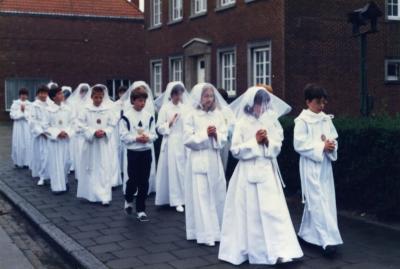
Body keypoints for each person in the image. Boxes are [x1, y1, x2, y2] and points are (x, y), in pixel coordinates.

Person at [218, 86, 303, 265]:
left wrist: (267, 142)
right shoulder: (242, 123)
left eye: (265, 103)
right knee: (249, 211)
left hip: (266, 171)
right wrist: (254, 142)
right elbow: (235, 150)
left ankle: (280, 249)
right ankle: (250, 249)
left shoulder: (271, 121)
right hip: (247, 172)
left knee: (272, 211)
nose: (262, 107)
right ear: (251, 104)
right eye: (259, 104)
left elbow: (277, 145)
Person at [294, 83, 343, 255]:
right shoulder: (302, 120)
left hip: (324, 166)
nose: (321, 106)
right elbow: (299, 144)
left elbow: (333, 138)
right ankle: (327, 241)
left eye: (324, 103)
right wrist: (321, 147)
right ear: (308, 102)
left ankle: (307, 234)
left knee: (325, 200)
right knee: (317, 201)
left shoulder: (325, 119)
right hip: (310, 165)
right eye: (318, 102)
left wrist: (331, 145)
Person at [183, 83, 228, 246]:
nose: (209, 99)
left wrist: (216, 135)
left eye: (211, 96)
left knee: (216, 194)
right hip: (198, 159)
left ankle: (217, 231)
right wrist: (204, 135)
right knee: (201, 196)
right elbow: (187, 139)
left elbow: (224, 137)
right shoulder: (191, 115)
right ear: (199, 98)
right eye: (205, 96)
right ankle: (204, 233)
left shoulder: (218, 114)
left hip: (213, 159)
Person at [120, 86, 157, 222]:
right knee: (133, 180)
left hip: (146, 152)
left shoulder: (149, 117)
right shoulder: (126, 116)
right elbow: (123, 136)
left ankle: (141, 209)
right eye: (140, 100)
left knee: (144, 181)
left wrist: (148, 138)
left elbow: (154, 134)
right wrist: (136, 138)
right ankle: (129, 199)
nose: (142, 103)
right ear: (133, 101)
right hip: (133, 152)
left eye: (144, 101)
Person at [155, 82, 191, 212]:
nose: (178, 96)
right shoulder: (165, 108)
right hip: (171, 142)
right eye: (175, 93)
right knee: (174, 171)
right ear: (171, 94)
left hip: (183, 141)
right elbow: (159, 128)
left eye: (180, 93)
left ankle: (185, 198)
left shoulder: (185, 108)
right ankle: (176, 200)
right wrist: (169, 124)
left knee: (183, 170)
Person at [77, 85, 116, 206]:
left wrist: (104, 132)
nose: (98, 100)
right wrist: (93, 132)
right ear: (92, 97)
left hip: (103, 143)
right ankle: (91, 194)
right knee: (91, 168)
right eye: (96, 97)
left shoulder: (107, 110)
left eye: (100, 97)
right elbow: (80, 125)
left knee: (103, 168)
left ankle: (104, 196)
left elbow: (112, 124)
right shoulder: (86, 109)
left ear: (103, 97)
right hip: (91, 144)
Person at [45, 86, 74, 193]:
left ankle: (64, 180)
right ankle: (57, 186)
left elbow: (72, 123)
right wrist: (57, 133)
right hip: (55, 141)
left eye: (62, 93)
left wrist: (67, 132)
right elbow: (45, 126)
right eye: (59, 94)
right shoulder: (48, 110)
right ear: (53, 97)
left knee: (67, 161)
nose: (62, 95)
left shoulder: (67, 109)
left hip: (65, 139)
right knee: (56, 162)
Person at [67, 83, 91, 180]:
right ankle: (80, 175)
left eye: (86, 91)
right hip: (78, 132)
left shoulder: (90, 103)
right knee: (79, 154)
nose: (84, 94)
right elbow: (73, 118)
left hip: (88, 133)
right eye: (82, 91)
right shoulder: (75, 104)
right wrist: (78, 127)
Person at [30, 85, 51, 185]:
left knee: (50, 156)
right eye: (41, 93)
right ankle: (42, 176)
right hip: (40, 134)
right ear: (38, 94)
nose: (43, 95)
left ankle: (51, 175)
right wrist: (41, 132)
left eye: (45, 93)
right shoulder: (34, 105)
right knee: (42, 156)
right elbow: (32, 121)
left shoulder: (50, 104)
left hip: (50, 134)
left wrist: (50, 131)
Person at [10, 88, 32, 168]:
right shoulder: (15, 103)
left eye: (25, 95)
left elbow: (31, 116)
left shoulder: (30, 104)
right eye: (22, 94)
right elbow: (12, 115)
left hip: (26, 126)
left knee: (27, 142)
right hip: (18, 126)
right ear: (19, 95)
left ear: (27, 96)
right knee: (18, 143)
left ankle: (27, 162)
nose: (24, 96)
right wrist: (21, 113)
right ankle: (18, 161)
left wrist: (24, 112)